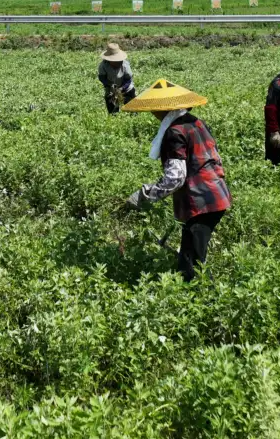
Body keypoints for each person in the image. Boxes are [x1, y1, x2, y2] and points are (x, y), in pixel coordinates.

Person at [120, 79, 230, 281]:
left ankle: (207, 301)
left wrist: (144, 195)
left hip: (201, 201)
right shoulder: (195, 122)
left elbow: (175, 178)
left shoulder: (174, 132)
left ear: (163, 110)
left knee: (191, 264)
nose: (152, 115)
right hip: (215, 194)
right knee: (190, 256)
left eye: (154, 110)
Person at [97, 42, 137, 114]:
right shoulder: (103, 65)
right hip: (111, 89)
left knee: (132, 109)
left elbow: (128, 79)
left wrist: (122, 88)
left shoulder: (124, 64)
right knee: (112, 110)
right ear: (109, 60)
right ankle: (114, 116)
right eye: (115, 61)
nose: (118, 62)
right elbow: (101, 77)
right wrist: (109, 84)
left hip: (127, 89)